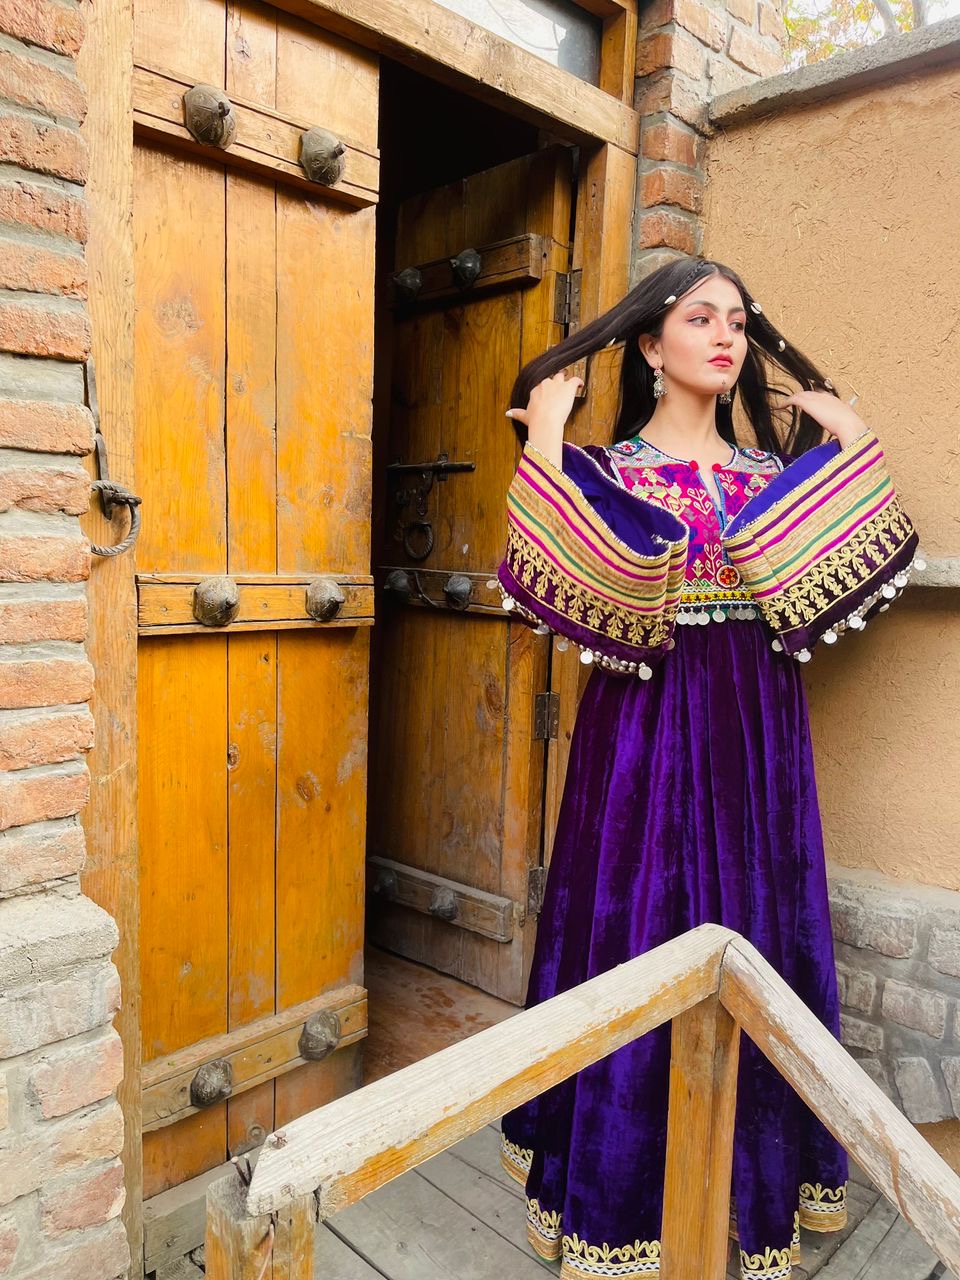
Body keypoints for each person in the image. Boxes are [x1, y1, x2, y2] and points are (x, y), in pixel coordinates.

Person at [496, 255, 920, 1280]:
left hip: (758, 733)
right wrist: (548, 435)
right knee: (633, 932)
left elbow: (850, 551)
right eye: (699, 318)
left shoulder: (770, 478)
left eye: (736, 320)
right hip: (640, 732)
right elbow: (561, 568)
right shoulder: (603, 470)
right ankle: (619, 1203)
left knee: (762, 939)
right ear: (650, 344)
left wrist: (848, 437)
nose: (725, 335)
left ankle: (749, 1199)